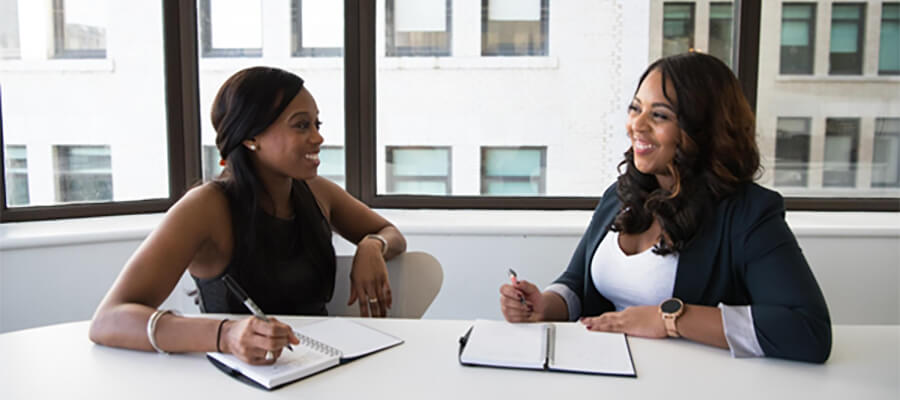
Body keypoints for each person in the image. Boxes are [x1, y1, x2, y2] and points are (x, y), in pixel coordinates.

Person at [499, 53, 831, 363]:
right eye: (635, 108)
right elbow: (577, 282)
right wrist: (545, 306)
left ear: (703, 130)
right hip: (605, 374)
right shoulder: (620, 195)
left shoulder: (748, 213)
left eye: (659, 115)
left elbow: (807, 330)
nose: (637, 126)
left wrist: (669, 318)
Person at [90, 66, 406, 365]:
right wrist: (226, 334)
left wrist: (371, 245)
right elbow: (108, 320)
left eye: (316, 124)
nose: (318, 138)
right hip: (234, 377)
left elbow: (389, 232)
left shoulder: (317, 191)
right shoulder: (204, 206)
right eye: (301, 125)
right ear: (251, 137)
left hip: (315, 367)